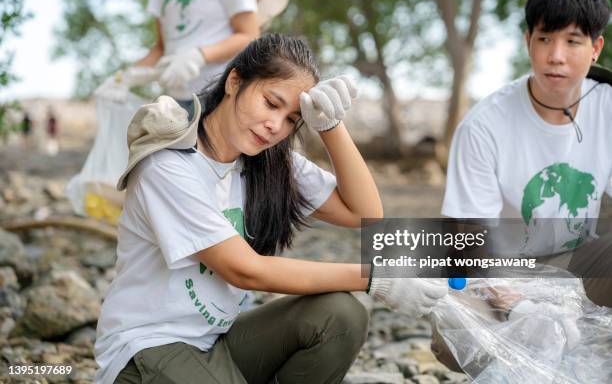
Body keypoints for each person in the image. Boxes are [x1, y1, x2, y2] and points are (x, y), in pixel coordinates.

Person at [94, 34, 448, 384]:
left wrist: (330, 126)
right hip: (147, 349)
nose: (276, 126)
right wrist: (376, 278)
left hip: (219, 342)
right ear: (235, 81)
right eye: (271, 103)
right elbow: (245, 271)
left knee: (340, 315)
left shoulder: (270, 164)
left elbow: (365, 214)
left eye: (293, 119)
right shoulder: (169, 165)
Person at [435, 0, 611, 373]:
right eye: (546, 39)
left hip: (580, 261)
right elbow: (466, 242)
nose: (556, 56)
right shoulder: (484, 125)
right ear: (527, 40)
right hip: (506, 269)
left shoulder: (609, 106)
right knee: (450, 332)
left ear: (595, 48)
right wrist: (519, 306)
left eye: (573, 41)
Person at [95, 0, 279, 110]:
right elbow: (161, 48)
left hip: (217, 98)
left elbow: (249, 35)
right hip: (174, 102)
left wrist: (198, 56)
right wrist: (124, 78)